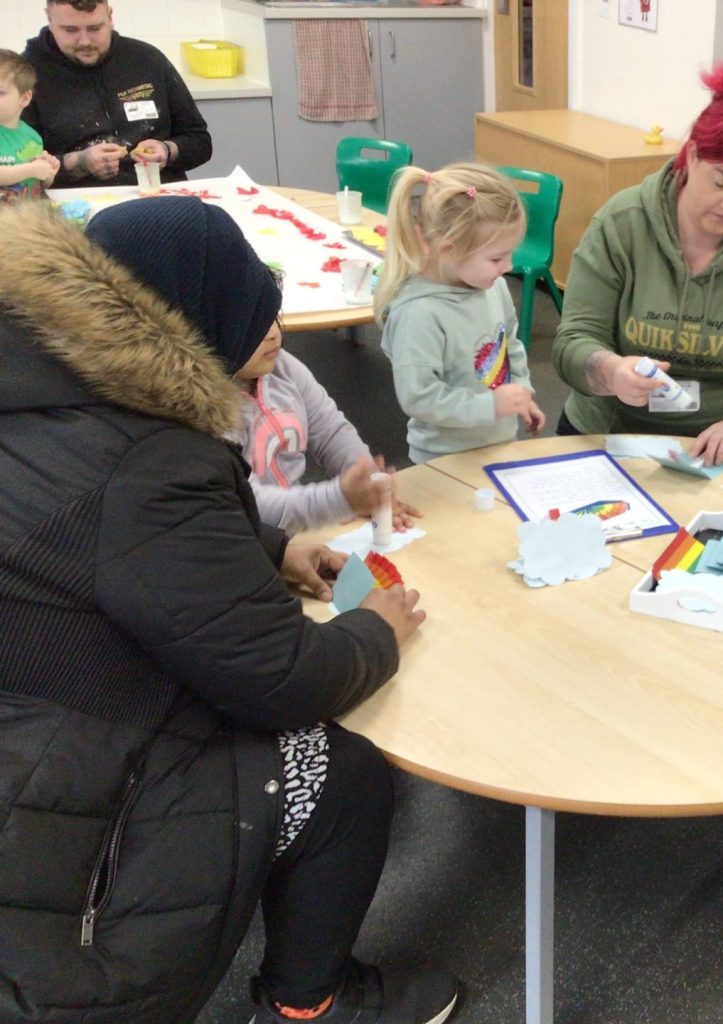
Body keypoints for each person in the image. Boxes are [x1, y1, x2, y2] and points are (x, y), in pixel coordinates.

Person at [0, 197, 462, 1024]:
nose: (274, 330)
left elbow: (100, 535)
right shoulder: (154, 459)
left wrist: (270, 550)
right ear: (195, 327)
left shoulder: (48, 387)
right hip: (62, 785)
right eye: (256, 315)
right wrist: (376, 632)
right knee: (339, 771)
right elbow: (282, 677)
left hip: (36, 700)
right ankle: (311, 1004)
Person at [552, 60, 723, 467]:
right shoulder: (620, 226)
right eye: (720, 182)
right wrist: (612, 372)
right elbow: (573, 341)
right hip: (614, 432)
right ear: (691, 155)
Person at [376, 161, 545, 464]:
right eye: (496, 258)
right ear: (447, 249)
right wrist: (490, 406)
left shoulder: (494, 287)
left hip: (499, 444)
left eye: (510, 254)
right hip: (443, 459)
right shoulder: (420, 313)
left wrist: (521, 393)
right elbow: (419, 397)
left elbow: (510, 345)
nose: (508, 266)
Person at [233, 318, 422, 536]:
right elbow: (245, 503)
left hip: (299, 526)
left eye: (272, 318)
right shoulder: (208, 413)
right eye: (252, 324)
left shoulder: (284, 367)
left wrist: (367, 485)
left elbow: (331, 432)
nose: (272, 334)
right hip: (244, 538)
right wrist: (340, 499)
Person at [22, 0, 211, 188]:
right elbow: (17, 170)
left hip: (159, 192)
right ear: (50, 20)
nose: (85, 41)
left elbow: (200, 141)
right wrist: (77, 163)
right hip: (74, 200)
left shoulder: (146, 59)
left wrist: (168, 150)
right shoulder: (25, 75)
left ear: (110, 17)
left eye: (95, 28)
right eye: (70, 30)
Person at [0, 49, 59, 202]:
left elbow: (37, 184)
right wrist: (31, 169)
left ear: (25, 98)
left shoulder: (32, 138)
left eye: (0, 92)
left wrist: (48, 172)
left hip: (28, 214)